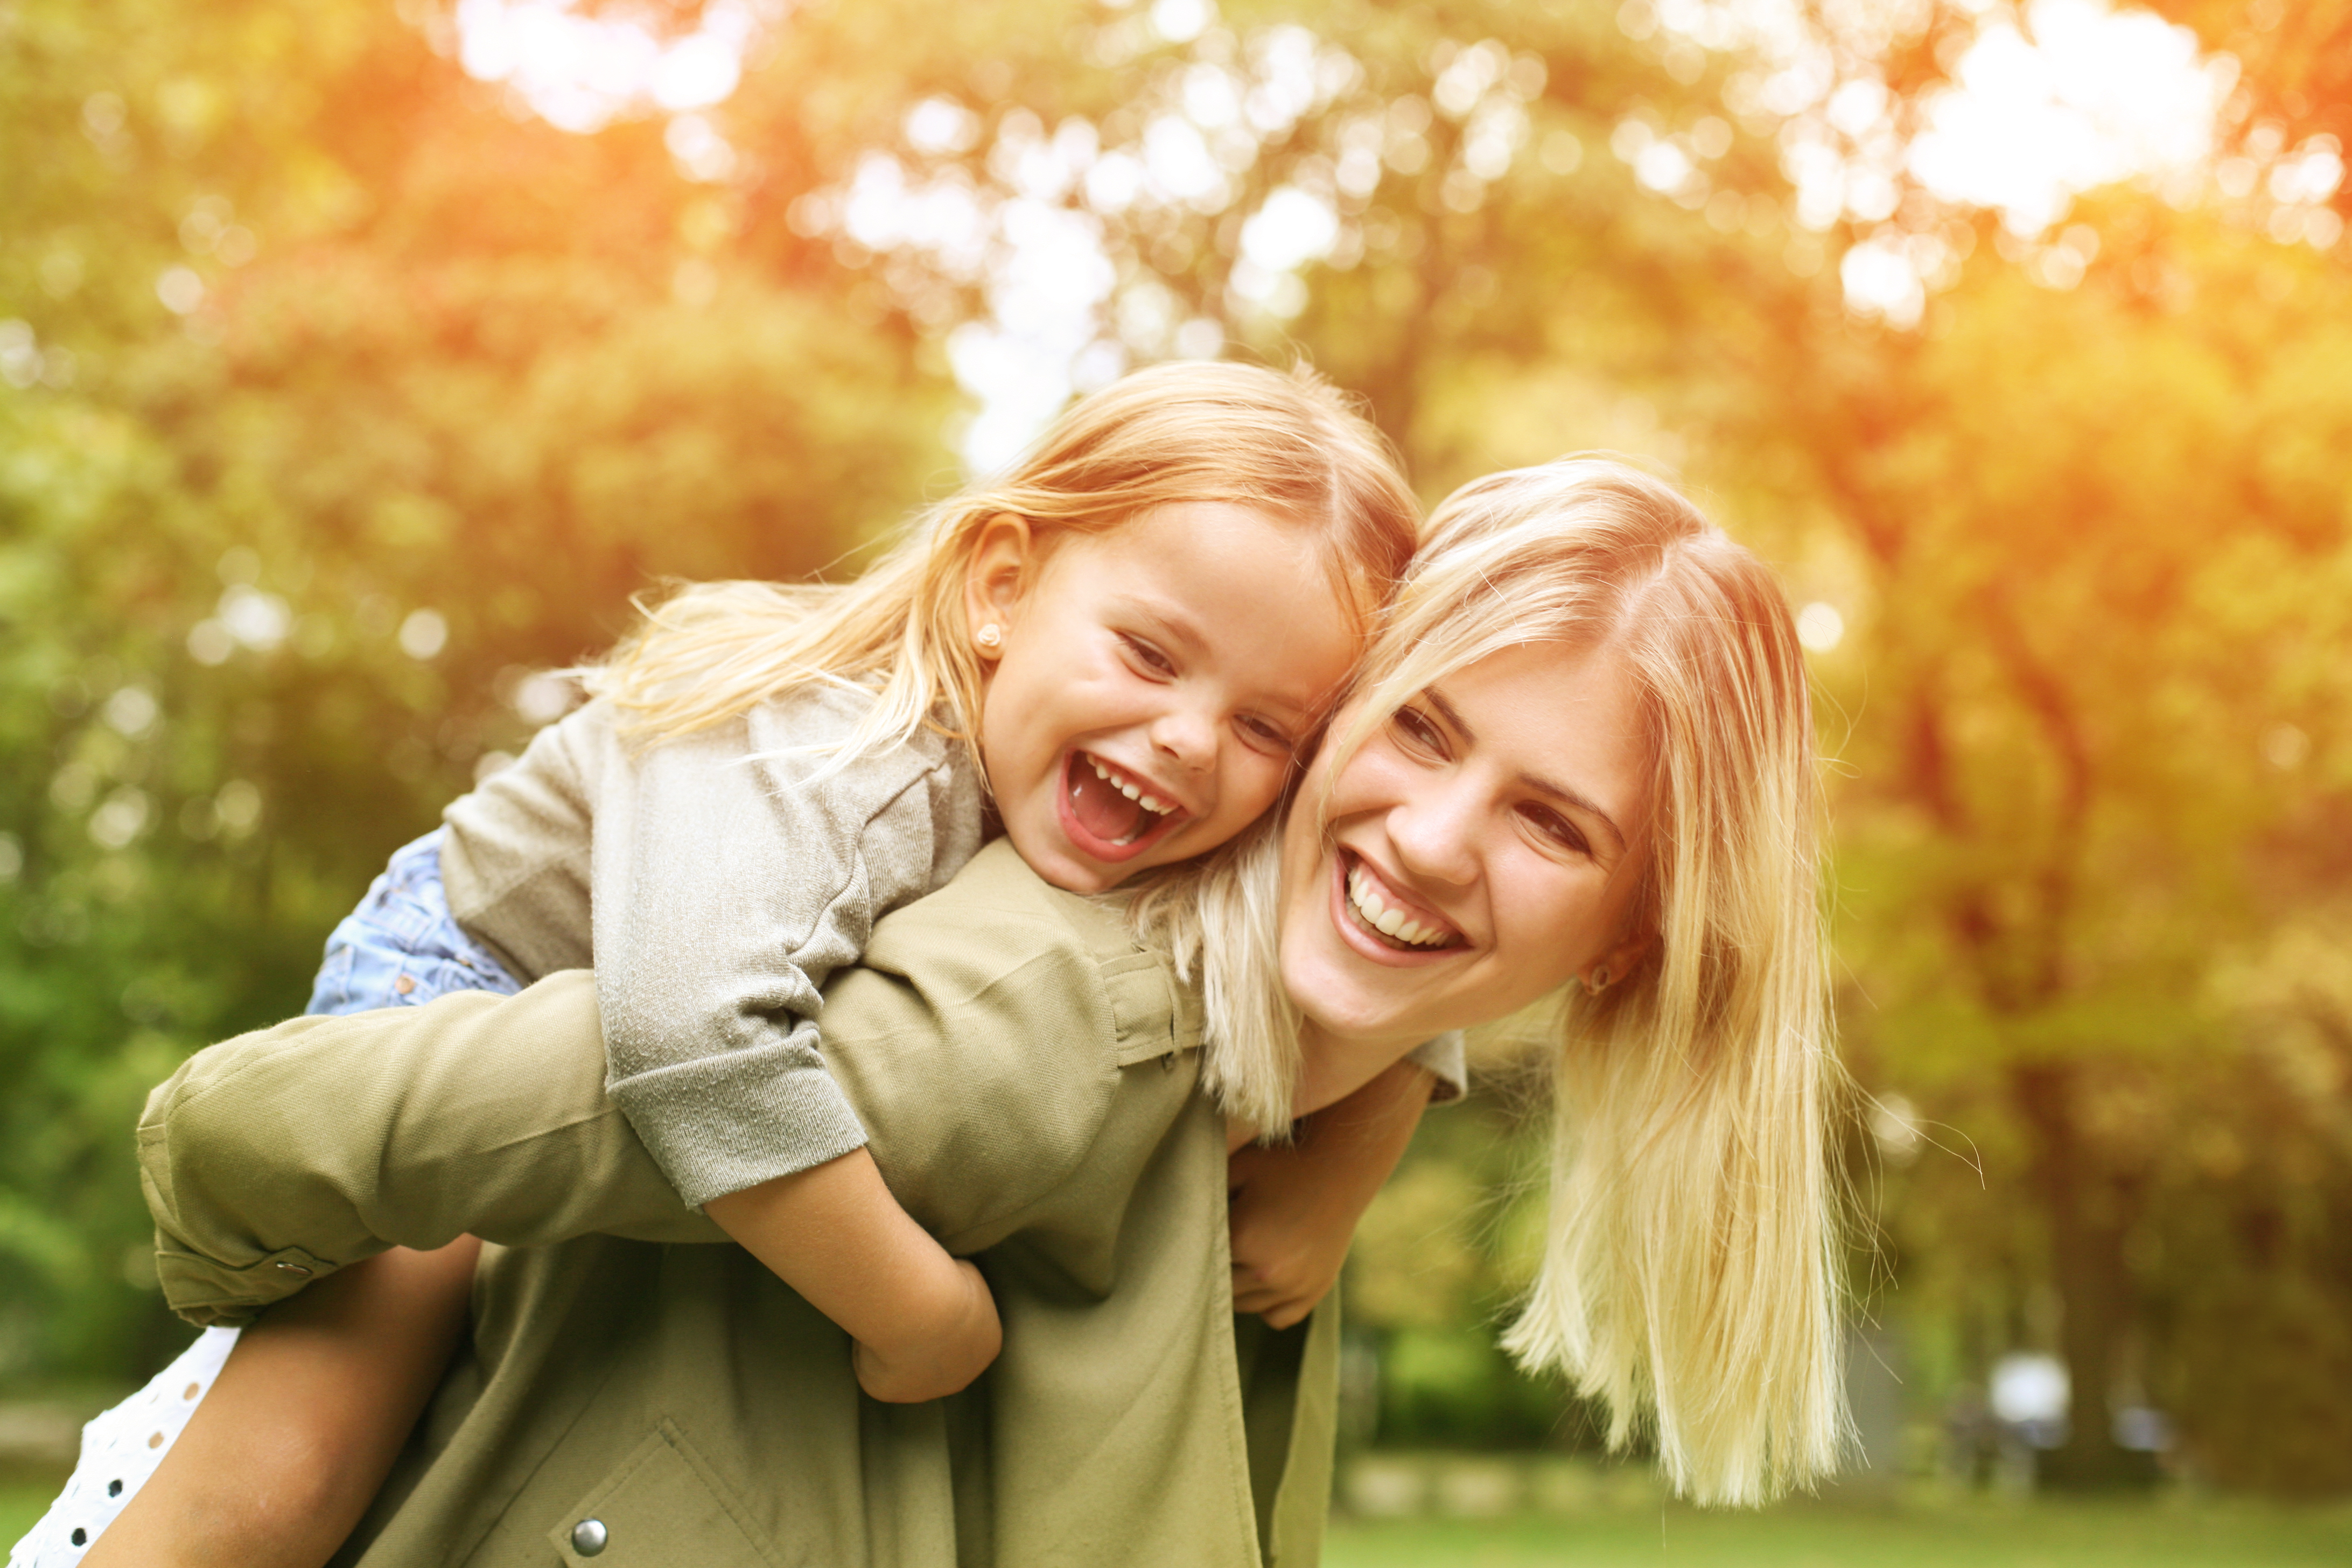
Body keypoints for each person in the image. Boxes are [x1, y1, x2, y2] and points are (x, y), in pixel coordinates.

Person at [30, 455, 1844, 1567]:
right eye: (1427, 731)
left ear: (1630, 940)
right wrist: (224, 1182)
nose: (1430, 839)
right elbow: (409, 1102)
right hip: (443, 994)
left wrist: (1368, 1131)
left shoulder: (1298, 1046)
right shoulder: (1039, 986)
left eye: (1550, 823)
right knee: (261, 1488)